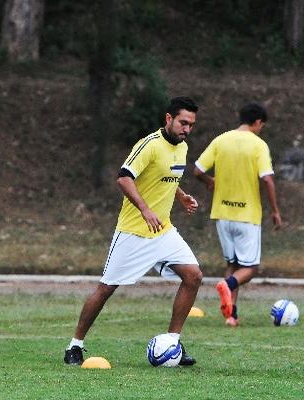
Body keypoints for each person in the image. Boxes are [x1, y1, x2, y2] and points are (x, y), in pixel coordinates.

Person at [64, 96, 203, 366]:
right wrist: (144, 209)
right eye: (183, 122)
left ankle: (172, 342)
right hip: (134, 231)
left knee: (193, 276)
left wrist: (182, 195)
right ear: (168, 119)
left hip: (163, 231)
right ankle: (74, 346)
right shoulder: (149, 145)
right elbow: (124, 177)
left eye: (191, 124)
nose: (187, 129)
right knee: (106, 289)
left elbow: (165, 179)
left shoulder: (183, 148)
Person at [193, 103, 281, 327]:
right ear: (258, 122)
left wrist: (209, 181)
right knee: (250, 268)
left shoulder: (221, 140)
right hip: (247, 216)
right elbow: (267, 179)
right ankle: (228, 285)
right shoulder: (258, 145)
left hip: (222, 214)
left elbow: (197, 170)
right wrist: (275, 211)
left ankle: (231, 316)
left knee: (233, 263)